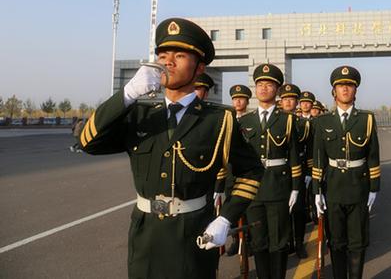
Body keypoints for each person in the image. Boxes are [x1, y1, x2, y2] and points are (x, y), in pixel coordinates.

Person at [78, 18, 264, 279]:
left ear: (199, 67)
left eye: (179, 55)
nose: (168, 62)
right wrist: (128, 94)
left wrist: (226, 218)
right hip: (146, 235)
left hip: (193, 234)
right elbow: (88, 141)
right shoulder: (139, 113)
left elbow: (252, 171)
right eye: (163, 55)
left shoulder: (219, 120)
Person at [312, 65, 381, 279]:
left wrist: (373, 188)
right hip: (332, 188)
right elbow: (318, 159)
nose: (345, 89)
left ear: (356, 90)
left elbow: (373, 156)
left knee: (357, 243)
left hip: (358, 188)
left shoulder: (366, 119)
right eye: (341, 85)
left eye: (350, 85)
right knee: (336, 242)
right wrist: (316, 191)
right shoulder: (323, 122)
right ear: (334, 91)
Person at [238, 64, 302, 278]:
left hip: (278, 188)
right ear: (255, 89)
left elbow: (293, 154)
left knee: (279, 241)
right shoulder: (244, 122)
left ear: (277, 89)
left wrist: (295, 187)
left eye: (269, 84)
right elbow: (238, 159)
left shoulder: (287, 120)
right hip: (253, 189)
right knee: (258, 241)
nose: (264, 88)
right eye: (260, 84)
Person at [278, 84, 313, 259]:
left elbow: (310, 150)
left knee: (298, 210)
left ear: (297, 102)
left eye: (291, 99)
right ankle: (286, 242)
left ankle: (299, 243)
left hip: (297, 171)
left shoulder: (303, 124)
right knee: (281, 211)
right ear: (281, 101)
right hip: (278, 172)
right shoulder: (274, 121)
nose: (288, 102)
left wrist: (307, 173)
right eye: (285, 99)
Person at [219, 83, 253, 257]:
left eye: (241, 99)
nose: (238, 101)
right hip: (231, 173)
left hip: (248, 174)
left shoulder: (252, 120)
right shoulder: (226, 121)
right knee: (231, 209)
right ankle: (236, 240)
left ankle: (249, 240)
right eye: (235, 99)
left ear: (247, 101)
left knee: (249, 208)